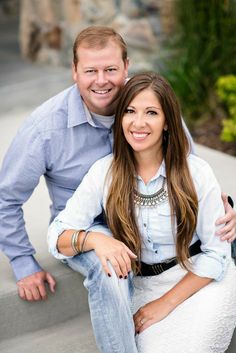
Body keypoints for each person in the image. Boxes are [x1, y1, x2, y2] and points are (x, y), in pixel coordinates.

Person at [0, 25, 235, 351]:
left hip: (158, 229)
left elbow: (187, 172)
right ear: (74, 72)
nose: (101, 80)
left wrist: (223, 207)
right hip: (89, 226)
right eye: (90, 70)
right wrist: (24, 263)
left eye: (110, 69)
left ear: (126, 67)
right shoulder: (47, 130)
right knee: (109, 268)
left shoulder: (150, 102)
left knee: (223, 248)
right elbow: (6, 199)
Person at [48, 72, 236, 353]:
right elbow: (57, 236)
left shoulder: (196, 173)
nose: (138, 123)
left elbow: (217, 254)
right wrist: (96, 240)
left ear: (168, 123)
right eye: (130, 111)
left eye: (151, 113)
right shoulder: (105, 173)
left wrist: (164, 305)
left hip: (199, 281)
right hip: (144, 287)